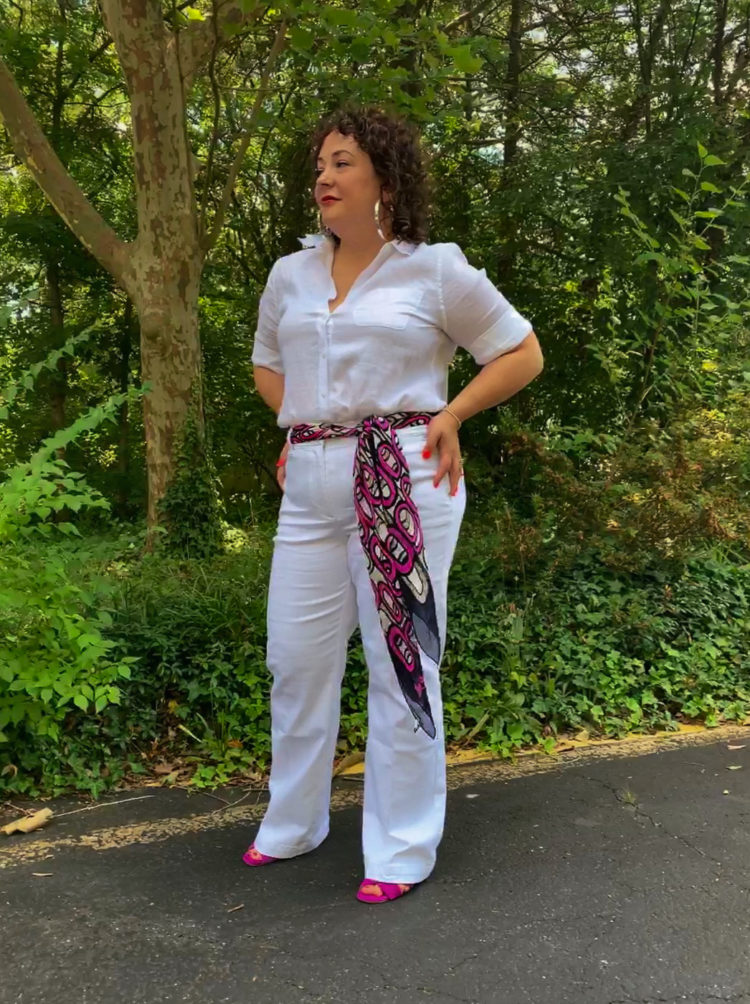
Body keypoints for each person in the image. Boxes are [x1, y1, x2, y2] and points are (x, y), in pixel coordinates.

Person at [245, 104, 544, 904]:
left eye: (342, 161)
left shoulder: (434, 268)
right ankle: (293, 822)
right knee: (295, 659)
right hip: (309, 483)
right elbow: (267, 363)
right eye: (319, 164)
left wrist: (451, 414)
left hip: (405, 478)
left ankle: (402, 846)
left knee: (400, 659)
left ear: (385, 174)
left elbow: (520, 351)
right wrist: (300, 422)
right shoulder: (291, 274)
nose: (324, 177)